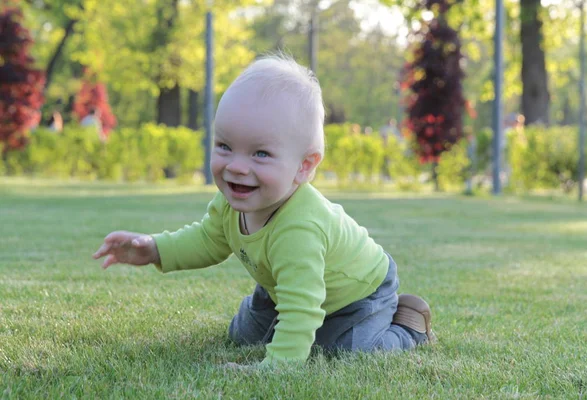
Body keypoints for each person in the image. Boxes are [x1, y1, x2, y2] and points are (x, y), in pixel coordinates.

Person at [92, 55, 435, 368]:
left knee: (346, 350)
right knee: (241, 336)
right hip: (286, 286)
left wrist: (276, 368)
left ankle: (406, 327)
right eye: (225, 146)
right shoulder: (231, 202)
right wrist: (154, 248)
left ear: (303, 166)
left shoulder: (299, 229)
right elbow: (207, 240)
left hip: (359, 293)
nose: (236, 167)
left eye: (260, 154)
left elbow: (302, 307)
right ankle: (273, 310)